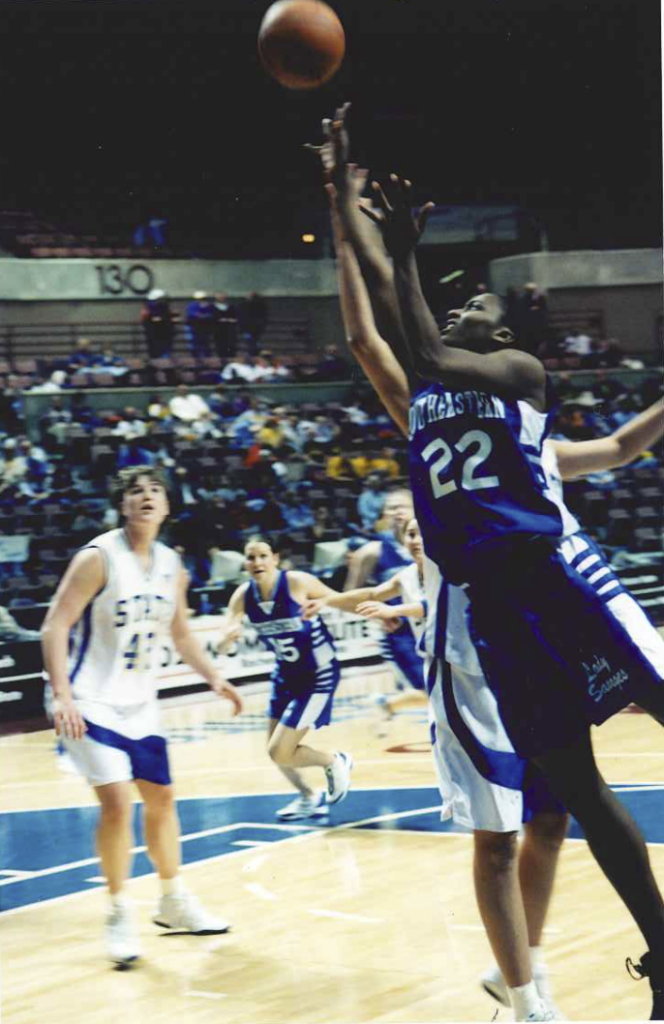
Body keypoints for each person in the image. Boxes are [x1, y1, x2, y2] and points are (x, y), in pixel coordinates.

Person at [309, 108, 664, 1019]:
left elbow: (420, 331)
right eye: (459, 300)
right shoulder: (425, 398)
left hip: (557, 574)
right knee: (577, 790)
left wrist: (402, 251)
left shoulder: (521, 379)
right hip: (492, 610)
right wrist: (340, 196)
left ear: (507, 337)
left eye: (481, 306)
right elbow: (382, 319)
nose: (466, 305)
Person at [40, 465, 243, 966]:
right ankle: (116, 912)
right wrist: (62, 695)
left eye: (155, 490)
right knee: (115, 801)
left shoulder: (173, 563)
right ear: (123, 505)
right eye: (135, 490)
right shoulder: (98, 557)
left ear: (168, 506)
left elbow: (180, 634)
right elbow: (54, 625)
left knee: (162, 799)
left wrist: (214, 677)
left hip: (139, 702)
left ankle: (172, 901)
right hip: (87, 696)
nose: (146, 496)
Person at [217, 537, 353, 822]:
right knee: (276, 752)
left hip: (319, 674)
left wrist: (379, 614)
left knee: (280, 750)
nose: (257, 563)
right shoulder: (243, 595)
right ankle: (308, 797)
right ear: (245, 564)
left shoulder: (296, 582)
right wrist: (226, 639)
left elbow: (337, 599)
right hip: (285, 676)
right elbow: (225, 632)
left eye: (263, 556)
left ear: (275, 559)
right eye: (251, 558)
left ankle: (333, 760)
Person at [305, 515, 429, 732]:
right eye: (411, 535)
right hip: (431, 653)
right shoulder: (405, 575)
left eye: (421, 534)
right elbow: (372, 593)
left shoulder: (445, 568)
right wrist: (326, 600)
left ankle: (388, 704)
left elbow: (435, 606)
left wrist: (395, 609)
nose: (416, 540)